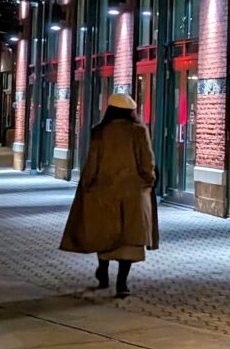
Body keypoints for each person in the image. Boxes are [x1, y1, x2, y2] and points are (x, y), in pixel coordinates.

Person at [59, 91, 160, 295]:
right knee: (130, 238)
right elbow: (147, 162)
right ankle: (122, 283)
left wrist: (87, 183)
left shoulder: (100, 131)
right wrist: (148, 182)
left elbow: (92, 162)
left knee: (105, 232)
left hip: (104, 192)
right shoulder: (139, 131)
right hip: (133, 194)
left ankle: (103, 271)